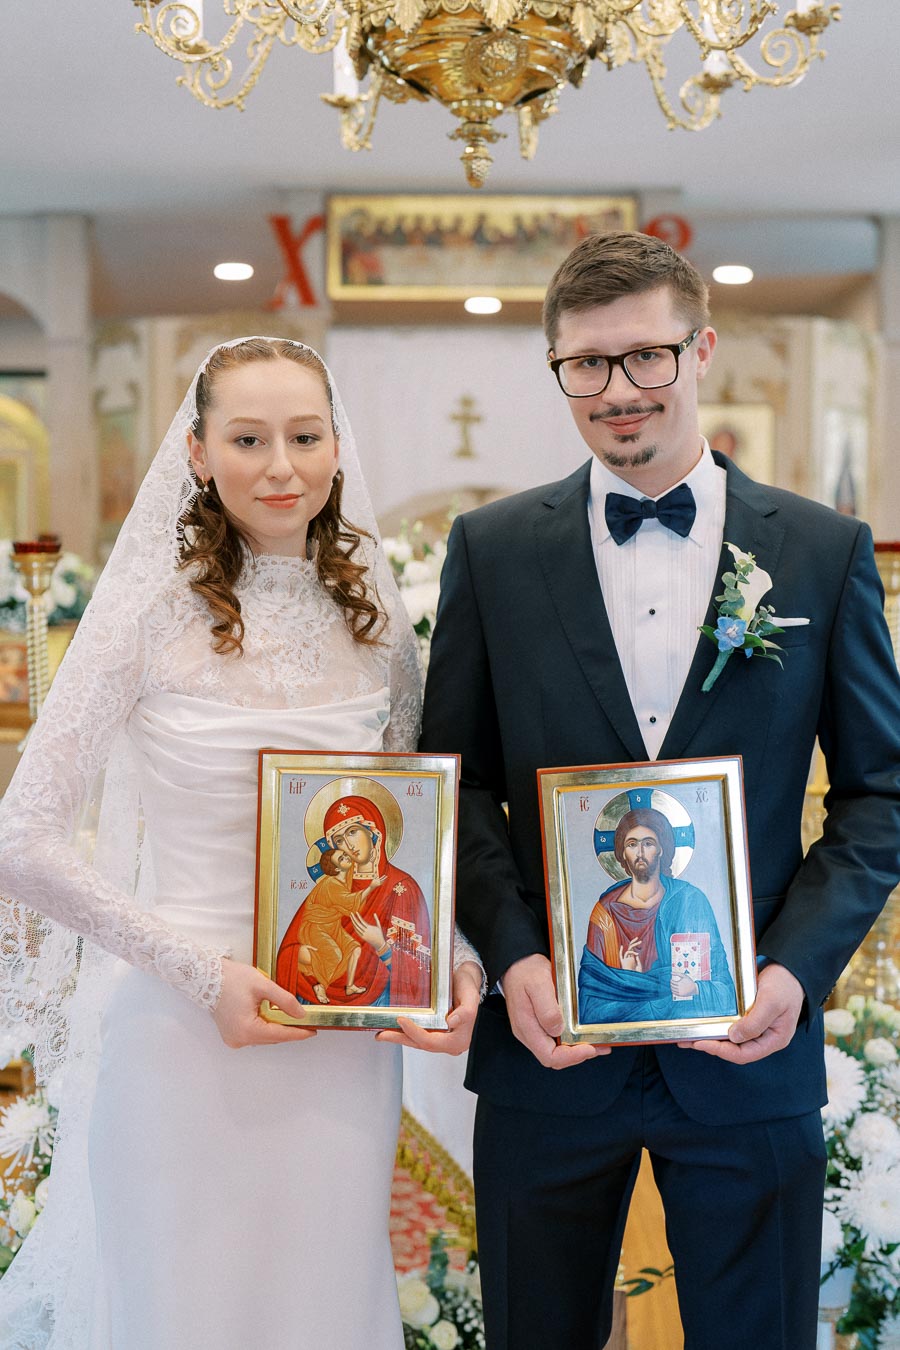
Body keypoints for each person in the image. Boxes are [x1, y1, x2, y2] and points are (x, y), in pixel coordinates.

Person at [419, 232, 900, 1349]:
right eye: (584, 364)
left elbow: (881, 792)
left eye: (646, 357)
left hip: (748, 1047)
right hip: (549, 1049)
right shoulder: (489, 548)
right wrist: (516, 953)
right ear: (555, 368)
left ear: (703, 351)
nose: (617, 390)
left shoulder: (823, 554)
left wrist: (794, 969)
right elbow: (458, 783)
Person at [0, 336, 482, 1349]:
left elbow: (413, 830)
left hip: (339, 1046)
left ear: (338, 446)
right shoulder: (142, 618)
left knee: (322, 1302)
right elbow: (23, 840)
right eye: (249, 438)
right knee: (184, 1304)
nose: (281, 465)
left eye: (306, 436)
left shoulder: (377, 627)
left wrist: (455, 963)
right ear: (198, 450)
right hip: (181, 1035)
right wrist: (196, 971)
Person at [577, 807, 737, 1023]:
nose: (640, 852)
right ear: (622, 853)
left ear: (662, 848)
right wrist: (630, 978)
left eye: (648, 843)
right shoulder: (605, 914)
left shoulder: (691, 901)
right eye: (632, 844)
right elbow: (591, 1009)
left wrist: (695, 988)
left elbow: (725, 997)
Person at [277, 792, 432, 1008]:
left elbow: (420, 970)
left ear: (373, 831)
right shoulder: (329, 887)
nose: (348, 845)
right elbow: (288, 952)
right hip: (316, 1004)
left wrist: (381, 945)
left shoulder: (402, 888)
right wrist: (300, 954)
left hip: (380, 1003)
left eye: (352, 832)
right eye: (339, 840)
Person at [280, 846, 371, 1002]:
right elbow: (350, 902)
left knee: (354, 949)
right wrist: (372, 887)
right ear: (336, 868)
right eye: (341, 859)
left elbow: (348, 908)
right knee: (334, 956)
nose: (346, 857)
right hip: (317, 928)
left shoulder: (346, 879)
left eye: (344, 855)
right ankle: (320, 985)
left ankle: (349, 987)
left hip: (332, 927)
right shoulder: (331, 884)